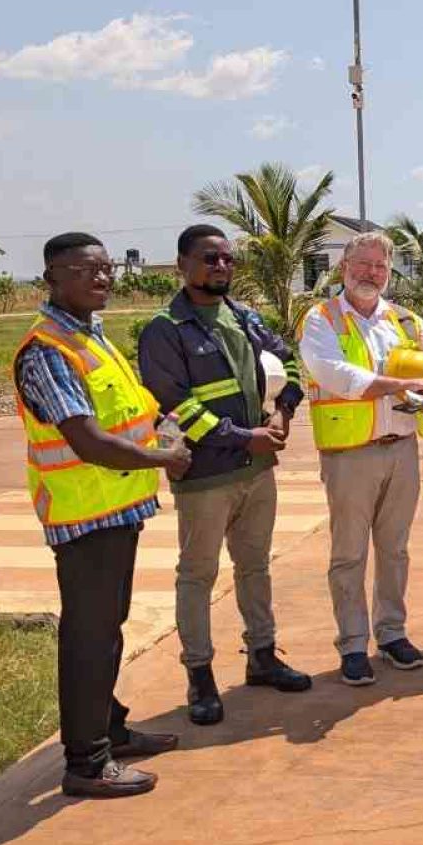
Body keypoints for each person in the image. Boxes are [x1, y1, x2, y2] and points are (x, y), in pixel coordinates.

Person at [14, 232, 191, 798]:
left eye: (107, 268)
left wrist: (161, 432)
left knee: (106, 629)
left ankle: (108, 729)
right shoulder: (48, 350)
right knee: (89, 636)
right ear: (52, 278)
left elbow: (127, 413)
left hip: (114, 509)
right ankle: (86, 763)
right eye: (86, 270)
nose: (102, 278)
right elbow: (86, 440)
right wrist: (164, 459)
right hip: (84, 516)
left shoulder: (90, 337)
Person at [137, 224, 313, 725]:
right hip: (206, 476)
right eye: (209, 258)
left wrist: (282, 413)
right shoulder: (165, 330)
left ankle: (262, 655)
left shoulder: (245, 318)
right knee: (197, 575)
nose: (221, 267)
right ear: (182, 266)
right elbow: (175, 405)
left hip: (258, 469)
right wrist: (243, 437)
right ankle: (200, 675)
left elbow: (288, 362)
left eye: (227, 259)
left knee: (255, 566)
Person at [297, 231, 423, 686]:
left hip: (401, 449)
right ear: (343, 267)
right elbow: (333, 372)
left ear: (390, 272)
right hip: (350, 456)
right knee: (349, 553)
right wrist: (397, 386)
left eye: (380, 267)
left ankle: (391, 633)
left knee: (395, 549)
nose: (371, 273)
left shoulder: (404, 320)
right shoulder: (321, 319)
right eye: (362, 264)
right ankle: (352, 643)